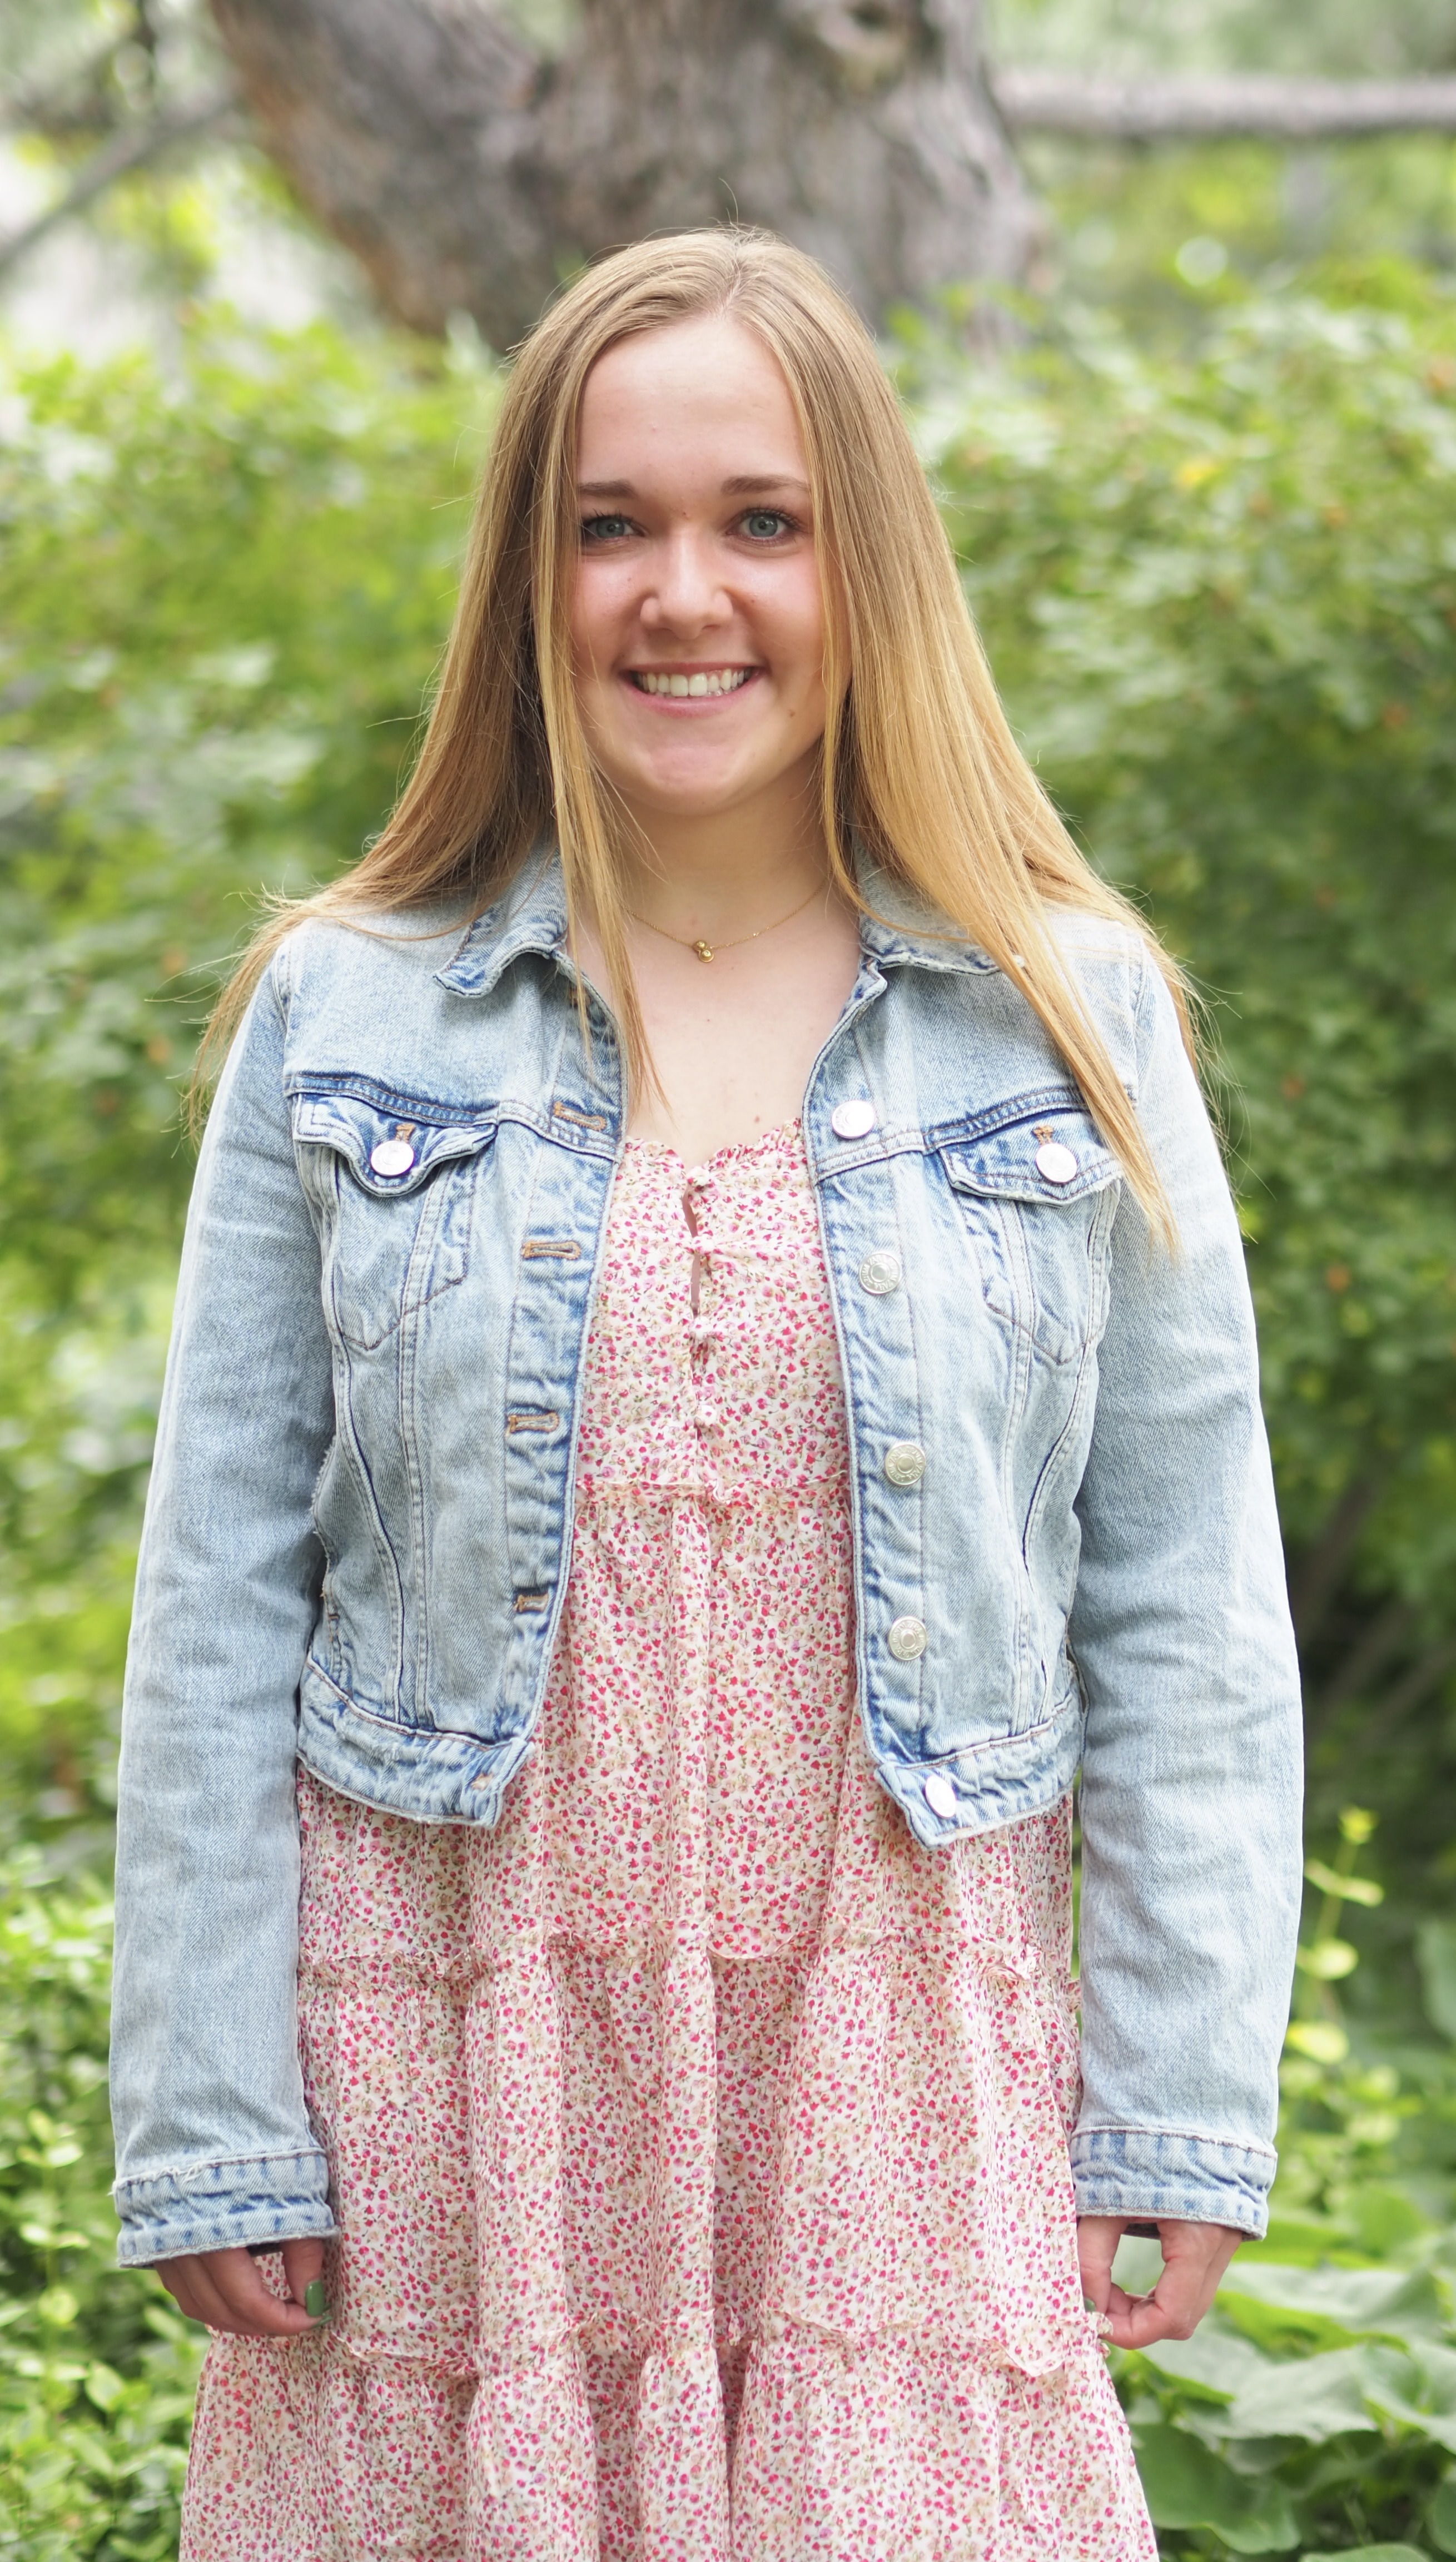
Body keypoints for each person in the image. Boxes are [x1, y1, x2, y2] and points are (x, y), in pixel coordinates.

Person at [110, 227, 1303, 2559]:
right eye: (610, 525)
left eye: (761, 520)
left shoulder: (1066, 1016)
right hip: (445, 2075)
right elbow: (215, 1603)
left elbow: (1184, 1597)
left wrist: (1170, 2101)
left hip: (896, 2082)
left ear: (864, 561)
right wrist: (211, 2099)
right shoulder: (343, 1014)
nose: (685, 594)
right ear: (525, 578)